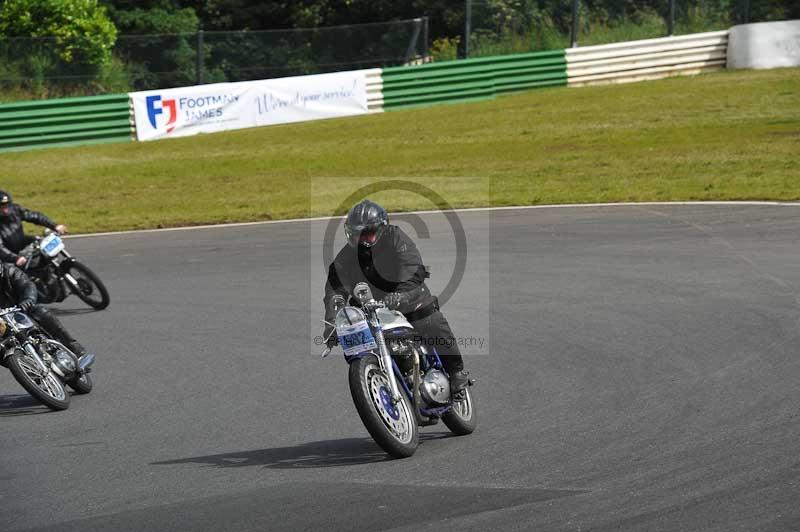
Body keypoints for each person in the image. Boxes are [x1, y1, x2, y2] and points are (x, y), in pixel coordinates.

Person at [323, 199, 471, 394]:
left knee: (430, 320)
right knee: (353, 335)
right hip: (371, 307)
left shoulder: (395, 237)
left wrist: (401, 294)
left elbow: (411, 266)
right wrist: (333, 320)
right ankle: (375, 379)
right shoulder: (345, 257)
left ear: (382, 228)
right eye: (357, 234)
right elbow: (335, 288)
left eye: (367, 234)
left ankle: (456, 371)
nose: (362, 240)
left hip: (408, 294)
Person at [0, 262, 90, 361]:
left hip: (21, 309)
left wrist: (28, 300)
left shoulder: (10, 271)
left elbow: (27, 285)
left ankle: (72, 345)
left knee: (41, 311)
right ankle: (22, 368)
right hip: (2, 322)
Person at [0, 190, 68, 267]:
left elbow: (35, 216)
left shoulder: (15, 210)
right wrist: (15, 258)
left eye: (6, 205)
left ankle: (49, 268)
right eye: (1, 207)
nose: (5, 210)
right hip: (6, 256)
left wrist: (54, 226)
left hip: (21, 242)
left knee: (41, 243)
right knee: (18, 277)